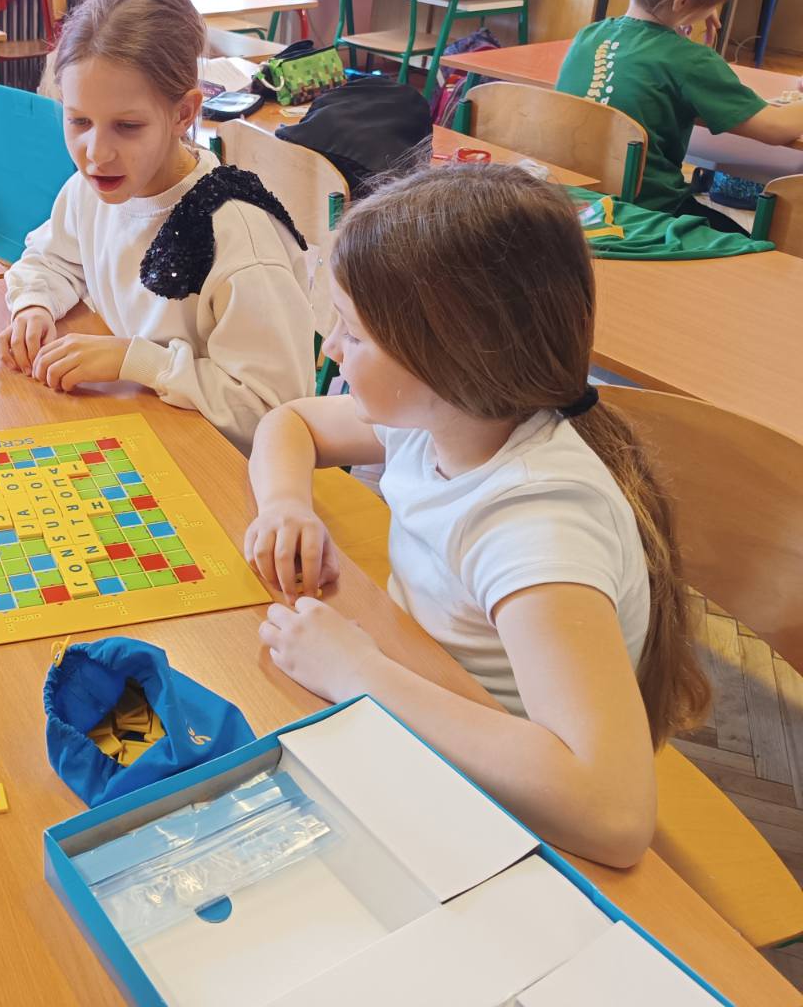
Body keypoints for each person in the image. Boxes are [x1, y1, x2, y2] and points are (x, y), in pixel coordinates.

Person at [243, 163, 708, 868]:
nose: (332, 348)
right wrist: (285, 503)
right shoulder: (443, 420)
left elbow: (612, 815)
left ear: (450, 357)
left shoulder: (532, 526)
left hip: (508, 803)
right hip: (430, 700)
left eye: (354, 335)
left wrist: (359, 674)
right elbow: (291, 422)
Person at [0, 0, 315, 452]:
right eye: (78, 120)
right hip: (144, 431)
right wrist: (34, 304)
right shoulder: (91, 190)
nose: (96, 153)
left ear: (184, 113)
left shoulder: (238, 240)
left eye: (127, 126)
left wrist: (138, 361)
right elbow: (55, 258)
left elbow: (274, 413)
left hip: (224, 465)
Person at [556, 0, 803, 232]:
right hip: (644, 218)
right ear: (684, 2)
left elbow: (652, 89)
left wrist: (689, 13)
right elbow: (776, 129)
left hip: (576, 205)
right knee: (758, 247)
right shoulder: (689, 60)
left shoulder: (589, 35)